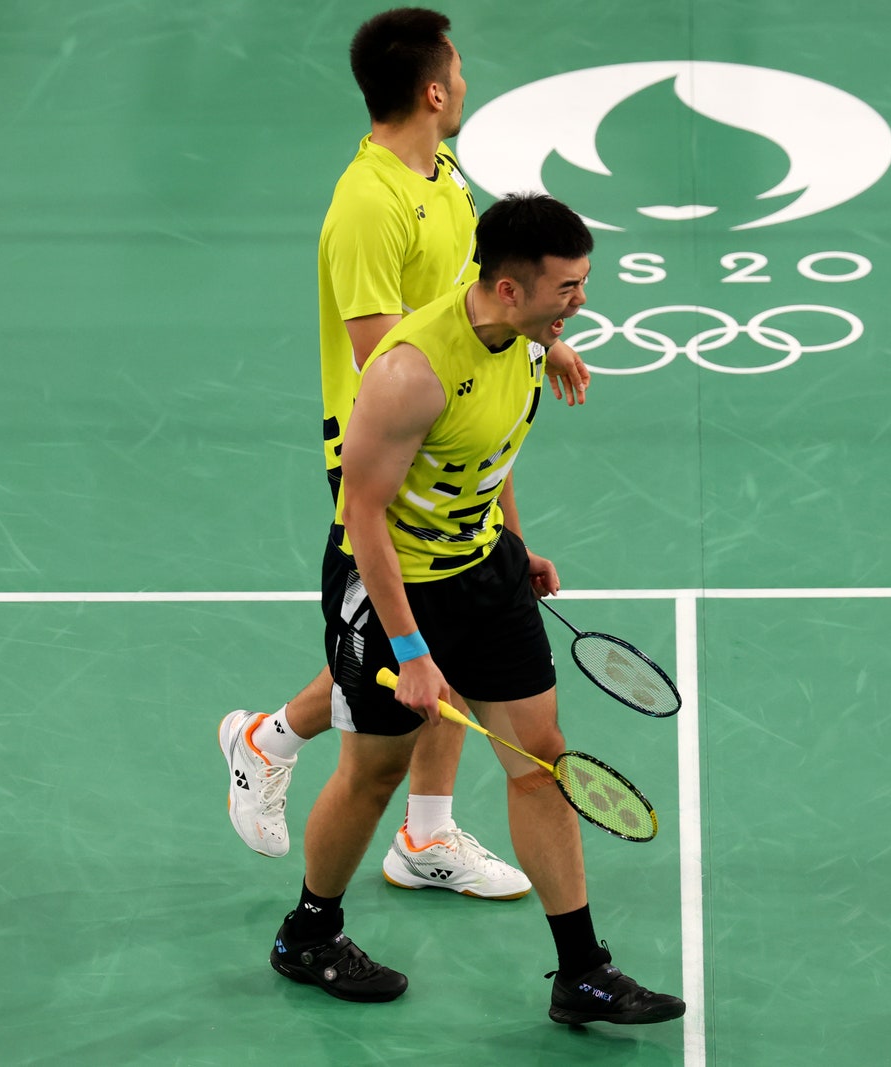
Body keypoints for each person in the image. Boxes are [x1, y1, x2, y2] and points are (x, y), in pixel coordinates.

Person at [268, 192, 686, 1027]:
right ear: (505, 289)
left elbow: (489, 454)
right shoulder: (408, 372)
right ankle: (308, 932)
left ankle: (582, 971)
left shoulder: (527, 340)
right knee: (375, 772)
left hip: (482, 565)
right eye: (567, 288)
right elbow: (364, 515)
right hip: (393, 583)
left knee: (541, 757)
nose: (580, 302)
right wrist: (412, 648)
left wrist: (514, 544)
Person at [219, 8, 589, 900]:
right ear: (433, 90)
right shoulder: (368, 202)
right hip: (391, 442)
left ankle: (423, 833)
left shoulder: (441, 171)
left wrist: (537, 335)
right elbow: (385, 350)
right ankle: (271, 740)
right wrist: (512, 349)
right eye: (458, 71)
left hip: (461, 423)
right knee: (408, 632)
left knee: (447, 637)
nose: (466, 82)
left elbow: (473, 292)